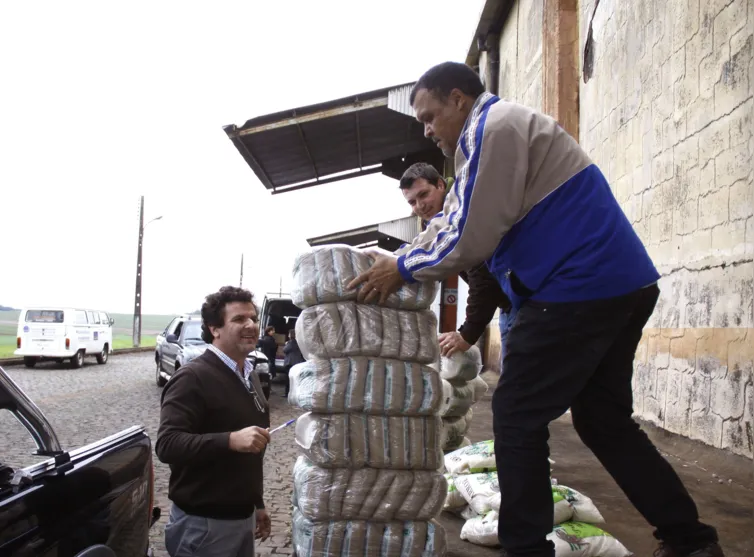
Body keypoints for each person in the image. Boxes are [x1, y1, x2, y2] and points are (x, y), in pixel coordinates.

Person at [348, 62, 722, 557]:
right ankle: (690, 541)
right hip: (618, 283)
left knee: (517, 414)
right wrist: (401, 256)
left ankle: (526, 548)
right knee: (604, 422)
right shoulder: (485, 141)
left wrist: (403, 270)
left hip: (578, 286)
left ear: (459, 100)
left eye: (429, 116)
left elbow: (471, 234)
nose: (427, 129)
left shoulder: (494, 129)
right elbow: (456, 217)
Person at [156, 286, 272, 557]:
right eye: (239, 319)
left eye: (253, 318)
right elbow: (168, 444)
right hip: (204, 527)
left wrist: (257, 503)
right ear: (214, 329)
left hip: (242, 520)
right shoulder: (192, 378)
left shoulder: (249, 375)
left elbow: (250, 454)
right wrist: (230, 440)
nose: (251, 325)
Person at [396, 162, 515, 362]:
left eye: (424, 195)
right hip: (509, 305)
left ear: (441, 185)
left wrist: (467, 333)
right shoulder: (438, 224)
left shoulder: (462, 212)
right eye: (412, 202)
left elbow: (482, 273)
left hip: (524, 303)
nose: (420, 206)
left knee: (521, 384)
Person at [280, 328, 305, 397]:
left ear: (291, 335)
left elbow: (285, 350)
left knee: (288, 379)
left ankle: (287, 393)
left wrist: (286, 344)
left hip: (290, 363)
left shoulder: (291, 342)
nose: (288, 335)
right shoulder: (300, 342)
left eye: (289, 334)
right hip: (298, 362)